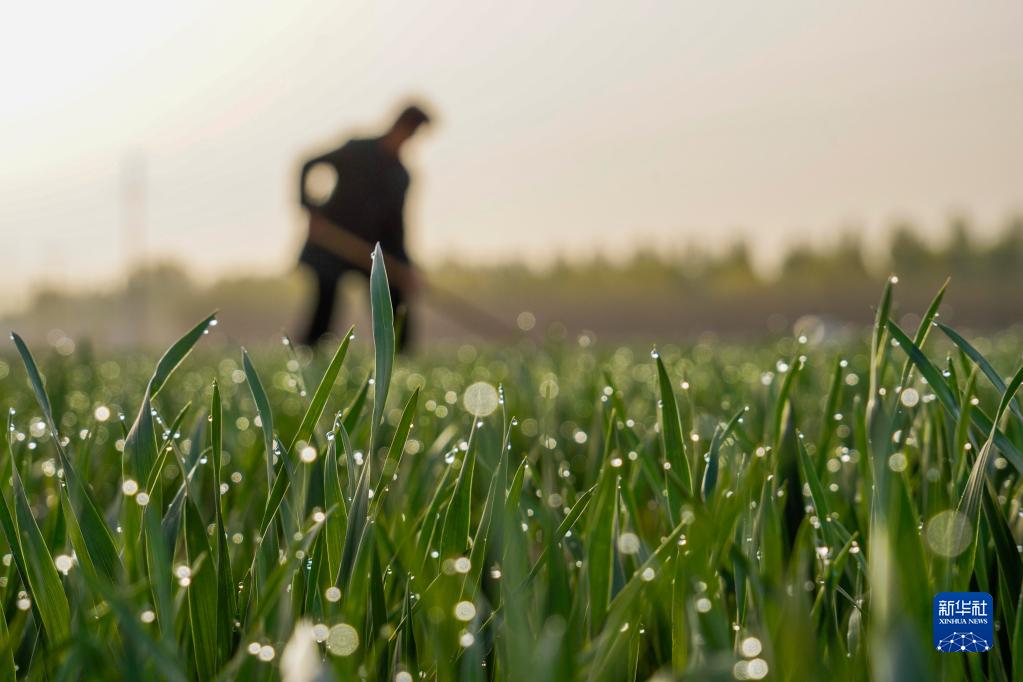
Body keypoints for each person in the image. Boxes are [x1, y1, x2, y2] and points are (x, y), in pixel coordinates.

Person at [298, 104, 431, 349]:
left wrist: (405, 267)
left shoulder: (400, 175)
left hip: (371, 252)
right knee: (324, 306)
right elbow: (310, 163)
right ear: (400, 125)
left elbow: (396, 229)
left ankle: (400, 362)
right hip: (333, 243)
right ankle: (307, 358)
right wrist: (310, 210)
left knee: (392, 302)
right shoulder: (358, 150)